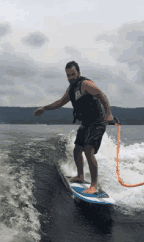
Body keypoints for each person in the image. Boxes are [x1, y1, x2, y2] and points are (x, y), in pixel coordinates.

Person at [34, 61, 114, 194]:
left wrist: (108, 114)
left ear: (79, 73)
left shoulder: (86, 84)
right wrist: (44, 108)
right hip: (86, 123)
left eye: (73, 74)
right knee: (77, 150)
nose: (71, 77)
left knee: (88, 150)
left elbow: (102, 95)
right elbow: (59, 103)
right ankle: (80, 176)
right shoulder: (71, 89)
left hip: (97, 122)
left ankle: (94, 185)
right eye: (68, 75)